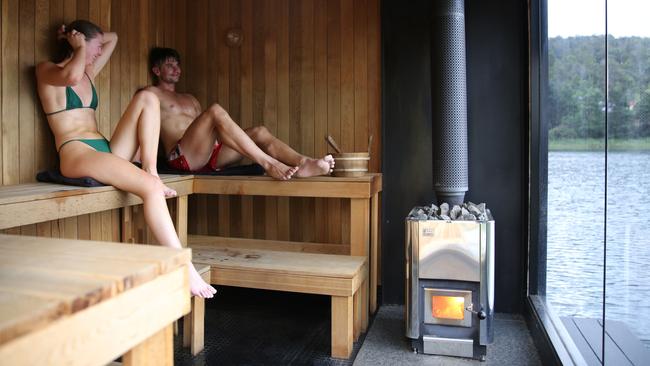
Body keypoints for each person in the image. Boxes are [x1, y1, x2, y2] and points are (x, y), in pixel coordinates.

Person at [35, 20, 216, 299]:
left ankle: (152, 170)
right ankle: (184, 265)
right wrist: (80, 46)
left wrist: (77, 39)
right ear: (77, 45)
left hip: (104, 147)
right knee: (151, 190)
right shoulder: (47, 70)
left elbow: (114, 38)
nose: (96, 54)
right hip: (76, 150)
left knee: (148, 98)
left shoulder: (88, 72)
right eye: (93, 49)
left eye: (95, 50)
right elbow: (70, 77)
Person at [145, 47, 334, 179]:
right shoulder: (150, 95)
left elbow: (207, 132)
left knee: (260, 132)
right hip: (182, 158)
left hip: (208, 154)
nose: (176, 69)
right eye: (170, 65)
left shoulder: (190, 98)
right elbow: (143, 126)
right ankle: (269, 163)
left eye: (178, 65)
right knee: (215, 111)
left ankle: (304, 163)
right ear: (156, 70)